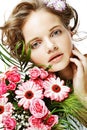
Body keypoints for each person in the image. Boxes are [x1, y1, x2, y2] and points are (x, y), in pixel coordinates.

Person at [0, 0, 87, 129]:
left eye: (55, 32)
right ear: (26, 54)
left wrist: (83, 96)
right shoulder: (35, 105)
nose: (51, 47)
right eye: (36, 44)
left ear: (69, 31)